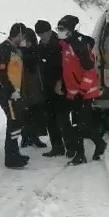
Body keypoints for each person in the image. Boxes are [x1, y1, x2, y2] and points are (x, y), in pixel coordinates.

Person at [57, 15, 107, 165]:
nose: (59, 32)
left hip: (85, 92)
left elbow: (90, 72)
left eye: (62, 29)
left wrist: (81, 92)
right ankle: (98, 144)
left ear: (71, 30)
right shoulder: (65, 44)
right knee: (82, 124)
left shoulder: (79, 47)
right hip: (73, 92)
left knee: (80, 124)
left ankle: (81, 154)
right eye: (58, 28)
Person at [0, 23, 30, 169]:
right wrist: (12, 90)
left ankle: (14, 153)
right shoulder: (5, 49)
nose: (23, 39)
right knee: (14, 120)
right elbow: (1, 73)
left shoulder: (14, 49)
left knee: (16, 120)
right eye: (22, 36)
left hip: (13, 90)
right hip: (5, 90)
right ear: (18, 35)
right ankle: (11, 158)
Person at [35, 19, 74, 158]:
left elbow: (66, 65)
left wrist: (60, 81)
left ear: (49, 31)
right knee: (50, 119)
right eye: (39, 35)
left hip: (61, 86)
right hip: (46, 87)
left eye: (43, 34)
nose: (41, 37)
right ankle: (57, 147)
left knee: (63, 119)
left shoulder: (60, 44)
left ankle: (71, 147)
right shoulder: (40, 46)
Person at [19, 28, 48, 148]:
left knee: (36, 112)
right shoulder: (18, 52)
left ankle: (34, 136)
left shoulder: (36, 51)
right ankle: (26, 136)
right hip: (24, 85)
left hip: (35, 85)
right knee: (25, 113)